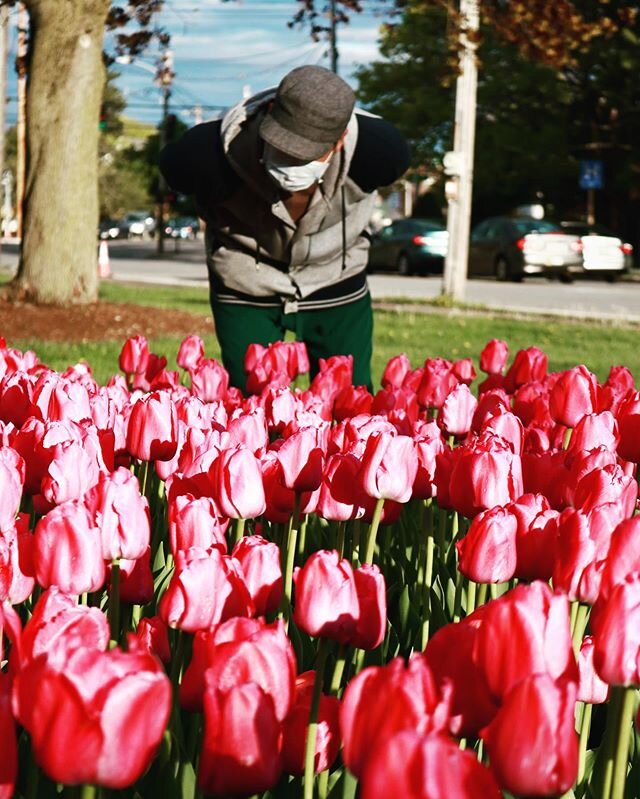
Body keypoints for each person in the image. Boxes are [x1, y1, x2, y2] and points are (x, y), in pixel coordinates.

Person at [159, 64, 411, 391]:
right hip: (245, 281)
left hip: (336, 276)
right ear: (269, 113)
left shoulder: (378, 153)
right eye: (282, 146)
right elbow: (173, 173)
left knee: (351, 402)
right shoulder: (207, 156)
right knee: (249, 404)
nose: (291, 163)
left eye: (306, 155)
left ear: (339, 142)